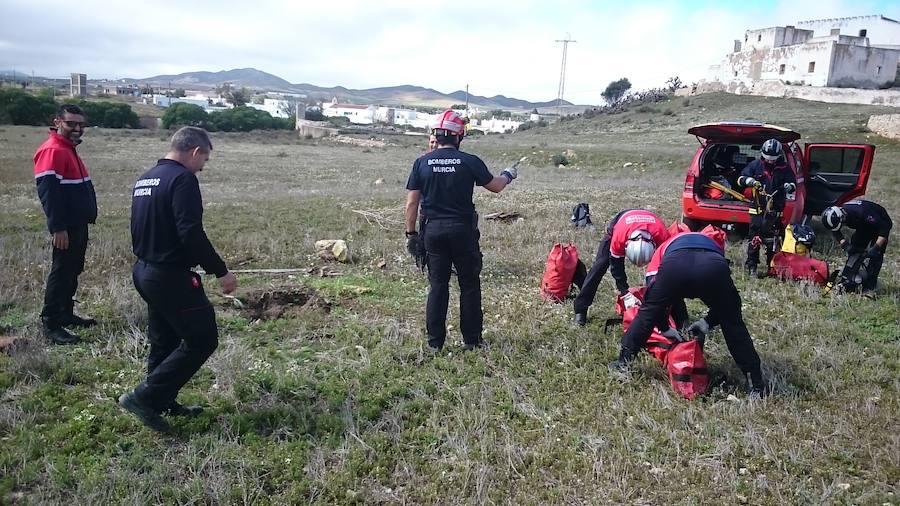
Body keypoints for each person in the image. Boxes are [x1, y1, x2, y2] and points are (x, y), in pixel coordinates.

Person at [119, 126, 237, 432]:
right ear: (195, 152)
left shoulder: (147, 178)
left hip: (146, 271)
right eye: (205, 160)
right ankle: (145, 397)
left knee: (165, 340)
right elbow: (191, 233)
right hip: (170, 276)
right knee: (203, 338)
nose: (203, 167)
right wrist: (221, 270)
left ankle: (162, 400)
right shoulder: (183, 179)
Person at [405, 110, 518, 352]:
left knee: (438, 286)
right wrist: (509, 175)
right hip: (463, 232)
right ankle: (472, 341)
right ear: (459, 137)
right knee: (469, 285)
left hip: (433, 231)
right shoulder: (470, 161)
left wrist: (411, 234)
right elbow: (496, 187)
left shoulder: (421, 162)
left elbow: (412, 203)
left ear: (436, 136)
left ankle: (435, 344)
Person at [608, 232, 765, 395]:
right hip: (712, 268)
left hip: (675, 269)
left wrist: (664, 327)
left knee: (646, 314)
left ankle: (623, 362)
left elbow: (652, 304)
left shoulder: (663, 249)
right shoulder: (713, 246)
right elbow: (730, 305)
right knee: (732, 321)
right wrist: (708, 322)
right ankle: (756, 383)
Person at [33, 104, 98, 345]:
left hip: (78, 223)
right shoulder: (53, 150)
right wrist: (57, 227)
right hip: (66, 226)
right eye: (71, 124)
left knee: (72, 269)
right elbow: (49, 193)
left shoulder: (67, 149)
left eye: (81, 124)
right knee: (61, 272)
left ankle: (65, 313)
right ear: (57, 122)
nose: (77, 128)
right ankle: (51, 322)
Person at [573, 209, 669, 326]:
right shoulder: (619, 238)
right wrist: (625, 293)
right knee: (600, 265)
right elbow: (616, 267)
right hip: (621, 222)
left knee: (669, 276)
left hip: (650, 225)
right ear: (626, 247)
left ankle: (680, 317)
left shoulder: (663, 238)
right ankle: (580, 310)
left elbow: (668, 272)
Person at [736, 138, 796, 278]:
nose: (770, 161)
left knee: (773, 241)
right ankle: (752, 267)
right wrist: (749, 181)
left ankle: (772, 267)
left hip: (775, 212)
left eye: (773, 159)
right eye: (768, 159)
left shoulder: (785, 168)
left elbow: (793, 183)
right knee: (754, 240)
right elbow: (740, 179)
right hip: (757, 211)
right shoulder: (755, 165)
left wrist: (789, 186)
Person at [822, 200, 892, 294]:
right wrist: (845, 245)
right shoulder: (840, 214)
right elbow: (836, 231)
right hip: (864, 225)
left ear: (843, 217)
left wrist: (876, 247)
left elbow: (884, 227)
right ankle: (848, 279)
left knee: (876, 255)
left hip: (880, 223)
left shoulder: (862, 212)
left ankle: (870, 288)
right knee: (855, 249)